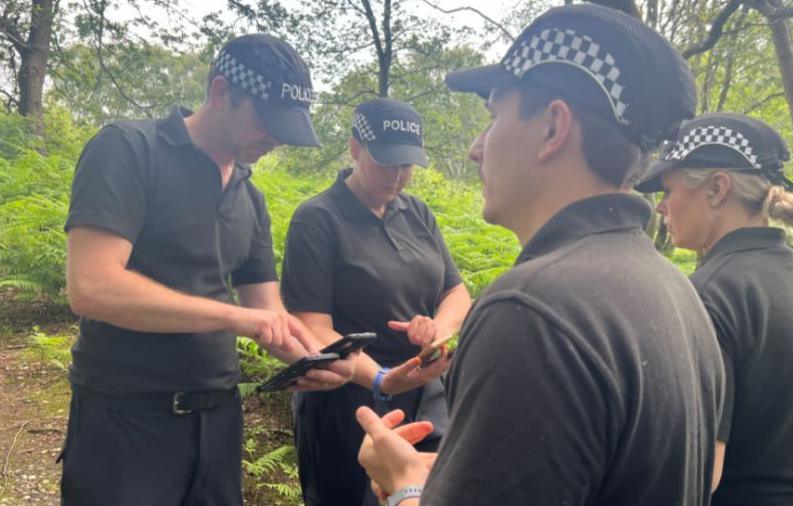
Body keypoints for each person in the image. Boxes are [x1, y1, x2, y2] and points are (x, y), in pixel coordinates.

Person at [354, 5, 725, 506]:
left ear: (552, 128)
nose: (475, 147)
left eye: (494, 116)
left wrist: (406, 488)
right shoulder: (676, 293)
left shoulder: (531, 310)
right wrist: (465, 468)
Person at [61, 34, 354, 506]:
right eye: (267, 121)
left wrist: (318, 360)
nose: (276, 138)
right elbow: (92, 286)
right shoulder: (129, 149)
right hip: (125, 420)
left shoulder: (250, 197)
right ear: (221, 93)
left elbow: (267, 311)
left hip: (218, 421)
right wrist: (235, 318)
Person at [635, 113, 793, 505]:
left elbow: (702, 473)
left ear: (717, 188)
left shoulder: (709, 295)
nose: (661, 208)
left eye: (668, 190)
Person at [281, 97, 472, 506]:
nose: (398, 176)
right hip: (349, 399)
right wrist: (383, 378)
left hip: (424, 398)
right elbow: (312, 325)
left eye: (407, 166)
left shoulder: (417, 213)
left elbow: (455, 292)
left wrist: (439, 328)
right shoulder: (318, 218)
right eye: (386, 162)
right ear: (354, 148)